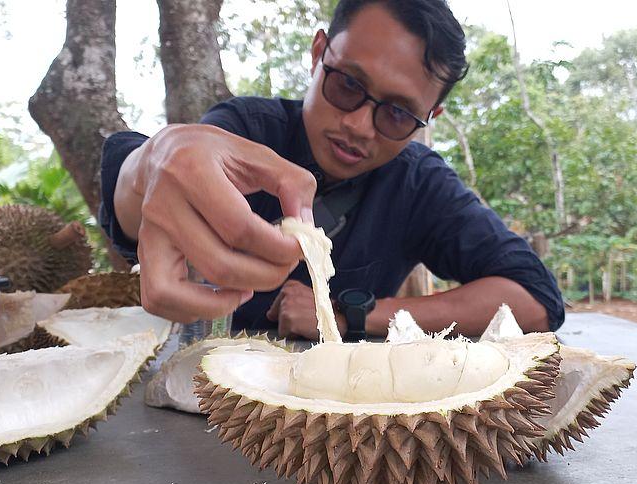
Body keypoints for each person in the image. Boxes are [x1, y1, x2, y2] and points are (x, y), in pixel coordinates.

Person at [99, 0, 564, 340]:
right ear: (319, 51)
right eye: (347, 84)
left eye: (398, 114)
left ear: (429, 119)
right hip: (200, 399)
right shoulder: (244, 129)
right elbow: (145, 193)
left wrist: (349, 314)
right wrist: (149, 164)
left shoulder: (420, 183)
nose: (358, 126)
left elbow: (535, 299)